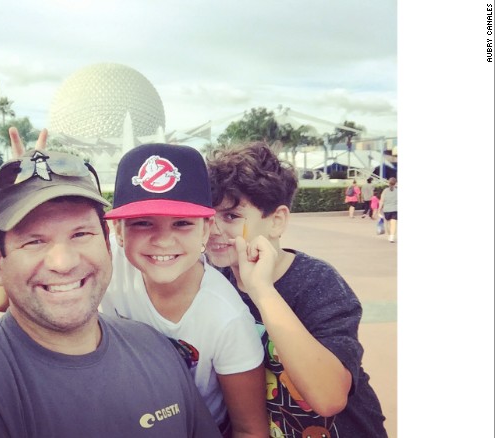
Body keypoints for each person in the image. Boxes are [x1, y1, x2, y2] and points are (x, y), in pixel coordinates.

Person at [0, 137, 221, 438]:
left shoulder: (156, 349)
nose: (62, 262)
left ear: (106, 243)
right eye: (34, 241)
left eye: (80, 234)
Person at [204, 143, 387, 437]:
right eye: (206, 217)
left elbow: (328, 397)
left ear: (276, 221)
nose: (212, 230)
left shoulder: (316, 282)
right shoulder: (211, 281)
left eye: (230, 217)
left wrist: (261, 290)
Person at [100, 143, 267, 438]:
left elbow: (250, 429)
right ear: (118, 232)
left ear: (206, 229)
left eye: (182, 223)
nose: (163, 241)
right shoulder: (105, 267)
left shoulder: (226, 318)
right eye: (142, 223)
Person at [378, 177, 398, 243]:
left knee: (388, 224)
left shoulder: (385, 191)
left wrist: (379, 210)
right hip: (395, 209)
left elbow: (381, 201)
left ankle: (390, 236)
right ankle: (392, 237)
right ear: (396, 183)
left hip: (386, 210)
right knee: (394, 224)